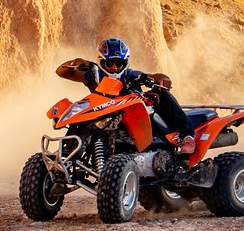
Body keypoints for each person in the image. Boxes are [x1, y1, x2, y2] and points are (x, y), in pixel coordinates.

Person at [55, 38, 196, 153]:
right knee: (79, 117)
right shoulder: (94, 75)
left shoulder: (131, 75)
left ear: (125, 63)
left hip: (133, 117)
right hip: (101, 116)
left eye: (119, 63)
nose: (114, 67)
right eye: (109, 63)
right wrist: (76, 63)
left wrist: (157, 78)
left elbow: (156, 76)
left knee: (161, 92)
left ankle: (187, 136)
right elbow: (61, 72)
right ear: (101, 62)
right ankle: (66, 154)